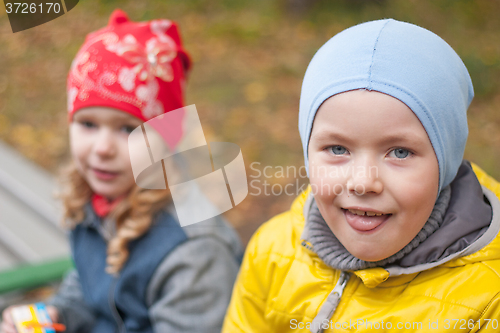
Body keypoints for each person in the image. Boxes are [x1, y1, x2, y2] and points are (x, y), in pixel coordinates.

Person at [223, 19, 500, 332]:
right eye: (338, 149)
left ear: (446, 161)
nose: (363, 182)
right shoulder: (272, 252)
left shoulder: (488, 301)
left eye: (399, 152)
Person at [1, 9, 243, 333]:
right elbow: (86, 285)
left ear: (167, 137)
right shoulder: (95, 195)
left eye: (128, 129)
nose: (102, 148)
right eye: (88, 124)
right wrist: (55, 315)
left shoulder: (195, 252)